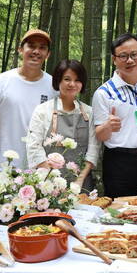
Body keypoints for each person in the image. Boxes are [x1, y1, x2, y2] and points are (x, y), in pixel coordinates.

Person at [92, 33, 137, 198]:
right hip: (120, 162)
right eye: (123, 56)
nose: (129, 60)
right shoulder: (104, 93)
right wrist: (107, 127)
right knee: (120, 212)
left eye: (134, 55)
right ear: (114, 59)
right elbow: (100, 135)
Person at [0, 29, 57, 170]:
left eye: (42, 48)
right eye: (31, 46)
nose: (36, 51)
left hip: (40, 169)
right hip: (4, 168)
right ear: (20, 49)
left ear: (48, 54)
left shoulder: (54, 87)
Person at [25, 60, 100, 191]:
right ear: (58, 81)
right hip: (47, 182)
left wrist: (79, 181)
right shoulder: (42, 110)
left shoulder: (89, 112)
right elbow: (33, 147)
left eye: (77, 80)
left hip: (81, 183)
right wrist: (55, 180)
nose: (72, 84)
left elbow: (93, 149)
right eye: (67, 79)